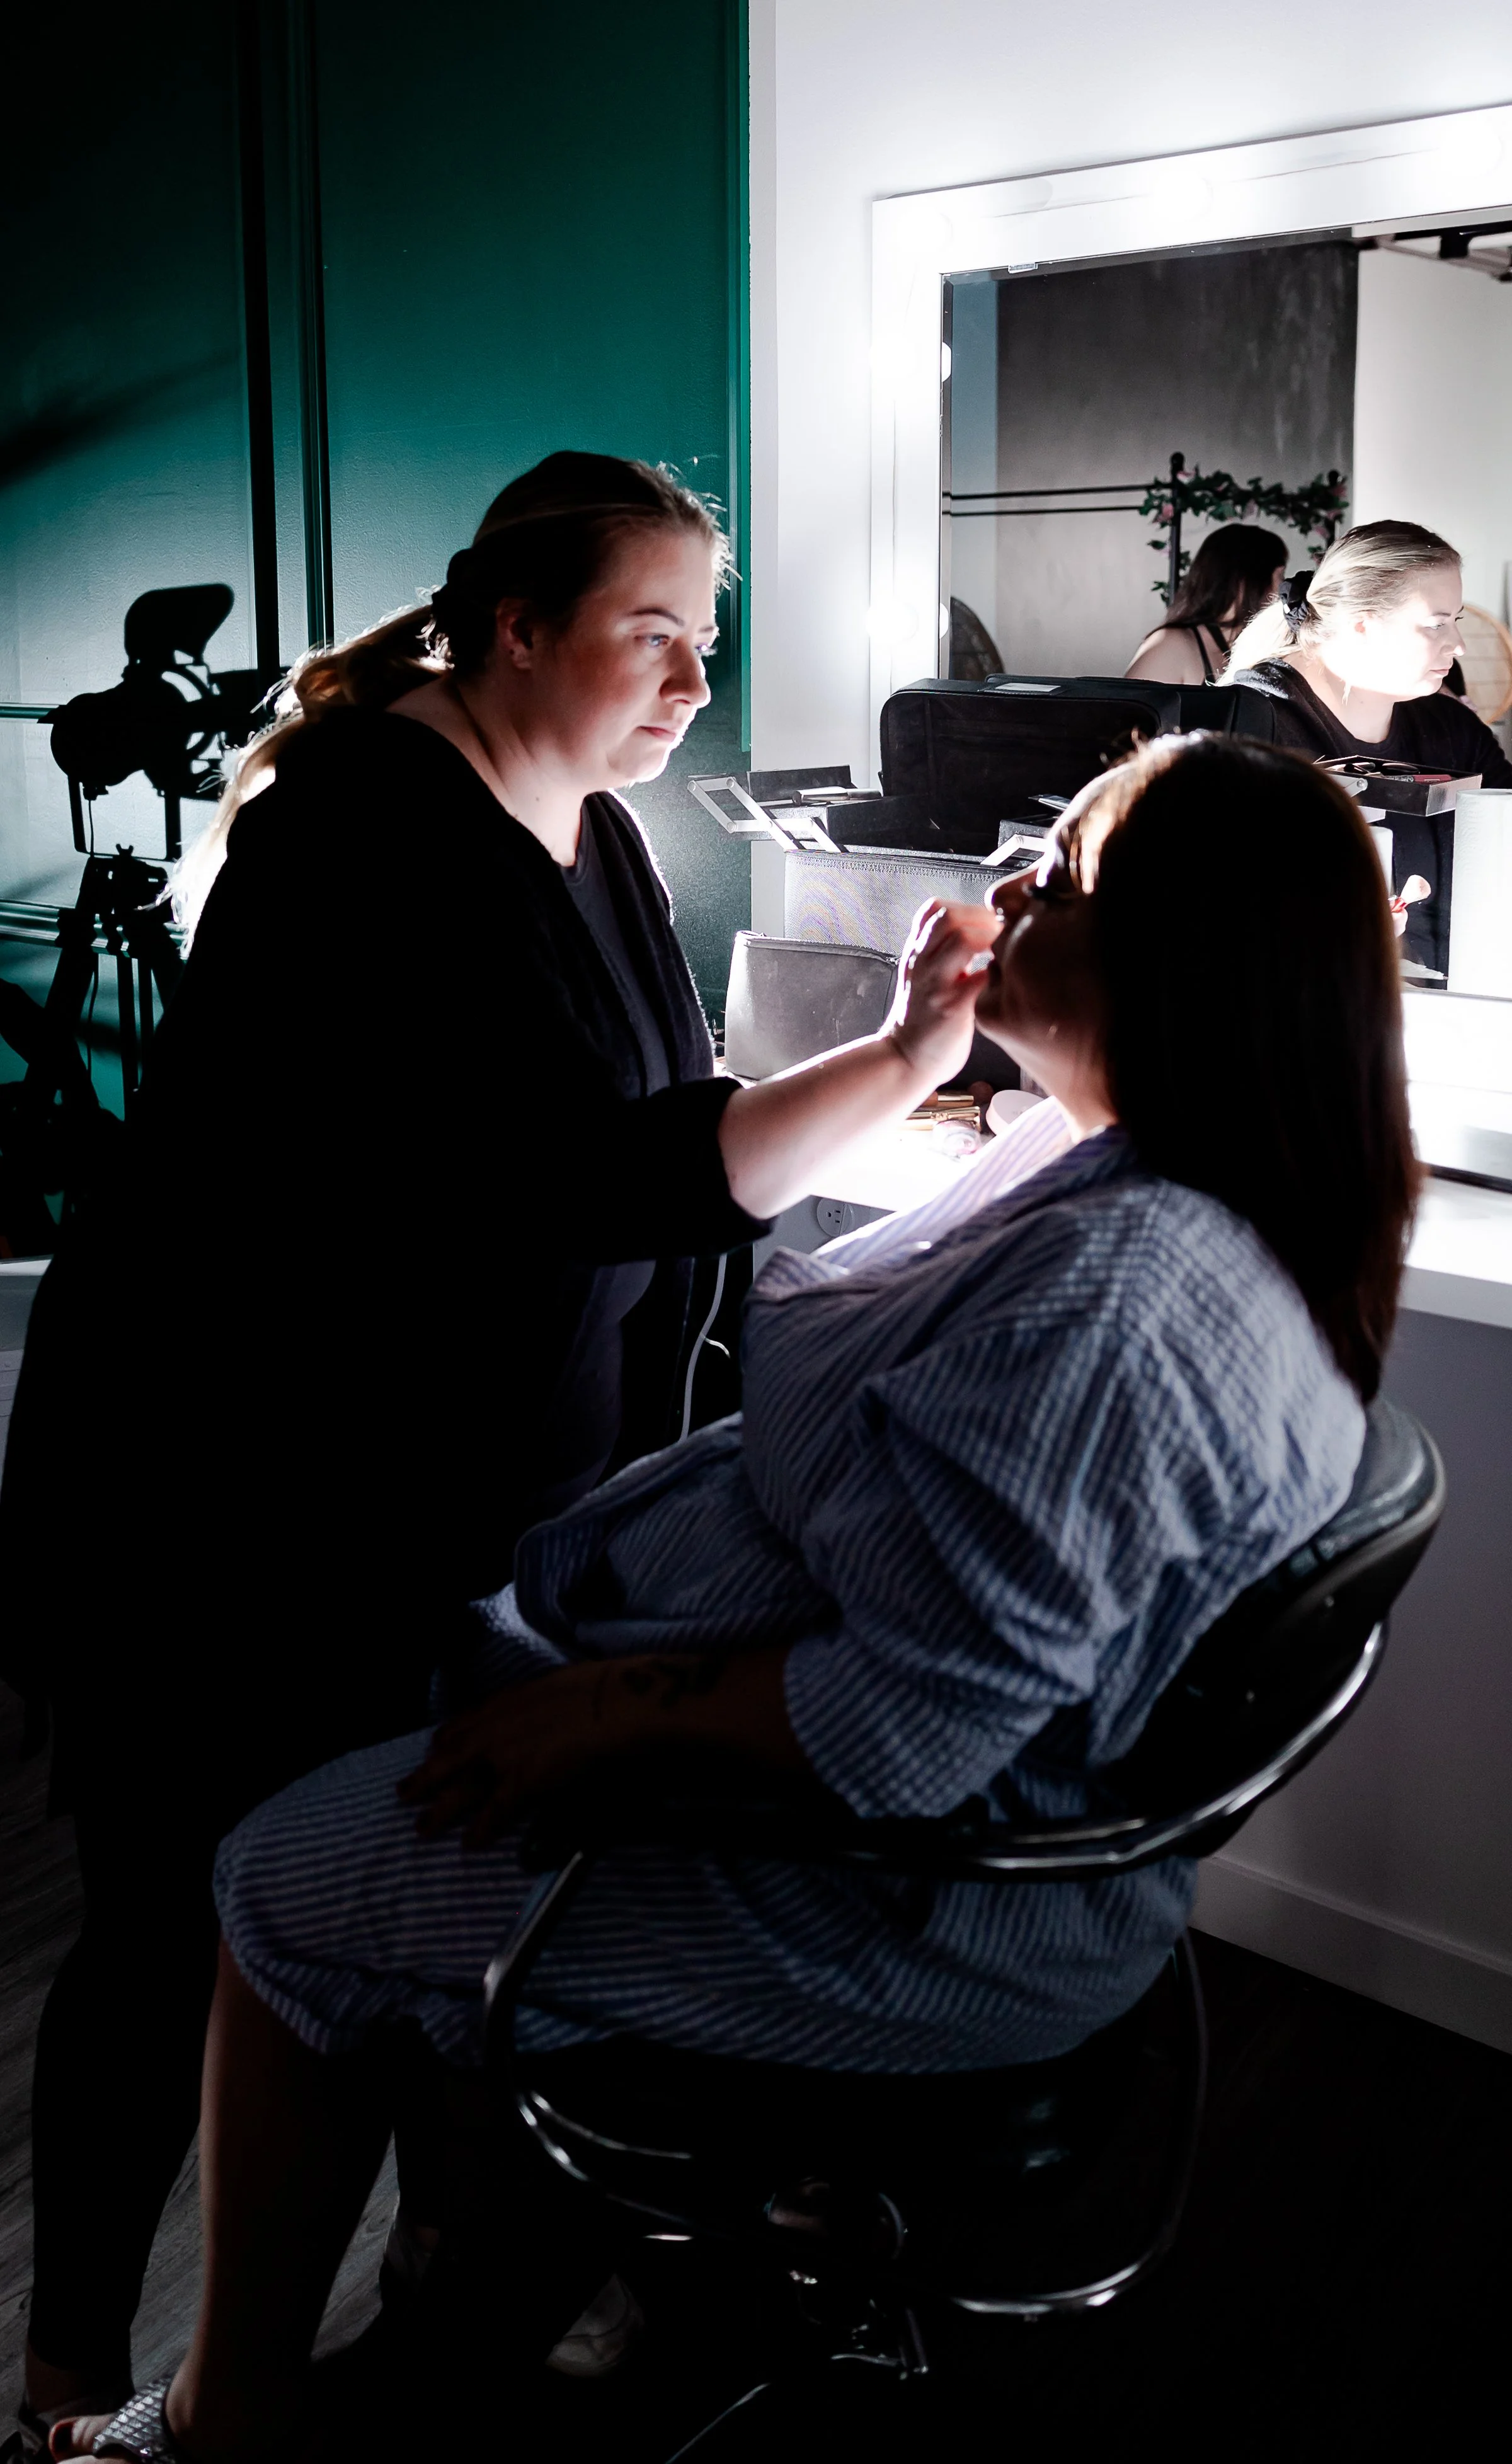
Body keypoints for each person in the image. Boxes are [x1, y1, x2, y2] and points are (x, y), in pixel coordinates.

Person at [53, 732, 1417, 2463]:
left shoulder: (1127, 1293)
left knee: (272, 1876)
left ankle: (220, 2422)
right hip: (913, 1834)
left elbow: (902, 1728)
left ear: (1184, 961)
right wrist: (916, 1049)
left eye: (1064, 877)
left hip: (898, 1905)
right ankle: (486, 2284)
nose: (1008, 890)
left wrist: (586, 1710)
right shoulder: (1142, 1172)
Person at [1, 450, 1000, 2446]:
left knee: (378, 1895)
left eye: (706, 638)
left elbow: (656, 1111)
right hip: (216, 1498)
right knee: (171, 1924)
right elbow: (589, 1172)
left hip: (432, 1503)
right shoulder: (363, 832)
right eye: (655, 635)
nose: (694, 681)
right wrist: (902, 1059)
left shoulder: (594, 827)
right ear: (518, 625)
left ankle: (395, 2302)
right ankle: (67, 2377)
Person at [1223, 518, 1512, 975]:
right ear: (1361, 625)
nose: (1457, 646)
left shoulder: (1450, 727)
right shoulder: (1252, 728)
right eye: (1436, 624)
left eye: (1455, 621)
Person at [1124, 522, 1286, 685]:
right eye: (1281, 576)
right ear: (1249, 579)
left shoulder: (1251, 647)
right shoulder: (1172, 645)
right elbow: (1130, 703)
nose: (1284, 588)